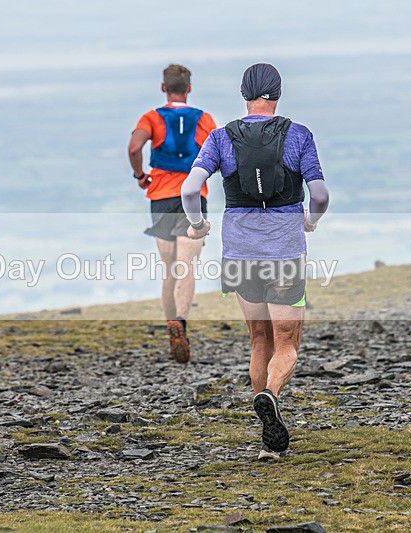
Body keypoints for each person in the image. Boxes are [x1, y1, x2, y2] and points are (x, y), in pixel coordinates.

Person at [181, 64, 330, 459]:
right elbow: (319, 195)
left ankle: (267, 436)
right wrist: (310, 222)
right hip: (284, 254)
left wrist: (197, 225)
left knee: (259, 339)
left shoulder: (220, 137)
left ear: (243, 92)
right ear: (278, 93)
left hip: (239, 253)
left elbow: (190, 187)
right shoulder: (298, 135)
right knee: (288, 342)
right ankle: (270, 395)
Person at [128, 64, 217, 364]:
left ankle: (171, 330)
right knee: (187, 266)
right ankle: (181, 323)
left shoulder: (152, 117)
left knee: (169, 269)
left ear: (163, 88)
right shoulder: (204, 119)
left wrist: (140, 174)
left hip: (161, 198)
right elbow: (219, 151)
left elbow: (134, 146)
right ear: (189, 89)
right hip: (193, 197)